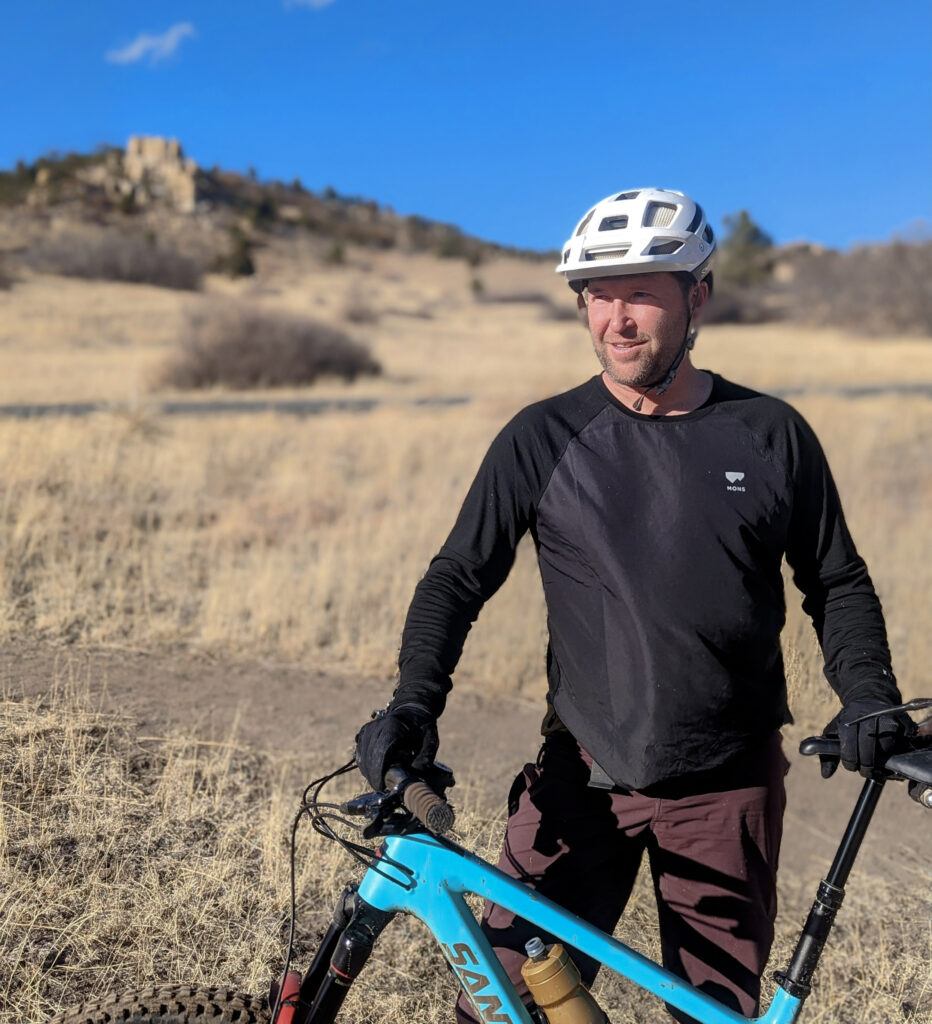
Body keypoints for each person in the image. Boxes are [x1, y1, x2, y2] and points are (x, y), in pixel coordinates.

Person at [354, 188, 913, 1023]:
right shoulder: (543, 437)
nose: (618, 317)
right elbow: (458, 577)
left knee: (714, 1011)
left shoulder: (770, 432)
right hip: (581, 775)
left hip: (727, 790)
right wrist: (413, 703)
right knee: (505, 1005)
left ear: (698, 297)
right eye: (598, 294)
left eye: (642, 291)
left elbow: (835, 581)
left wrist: (868, 692)